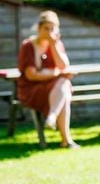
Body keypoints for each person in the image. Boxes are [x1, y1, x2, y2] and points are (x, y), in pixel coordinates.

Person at [16, 10, 78, 148]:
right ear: (39, 28)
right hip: (32, 89)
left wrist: (53, 45)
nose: (49, 32)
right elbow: (31, 75)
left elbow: (64, 66)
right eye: (46, 28)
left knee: (64, 86)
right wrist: (56, 73)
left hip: (54, 88)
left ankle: (53, 120)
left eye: (52, 29)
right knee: (63, 89)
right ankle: (65, 139)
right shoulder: (28, 46)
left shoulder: (56, 44)